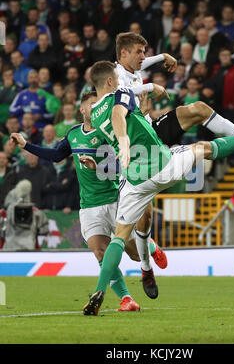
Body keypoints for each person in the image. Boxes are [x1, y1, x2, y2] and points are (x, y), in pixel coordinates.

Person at [82, 60, 234, 313]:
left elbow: (121, 111)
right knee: (202, 148)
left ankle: (100, 290)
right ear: (110, 81)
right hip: (160, 164)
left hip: (134, 179)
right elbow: (118, 115)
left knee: (119, 236)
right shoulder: (121, 94)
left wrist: (145, 97)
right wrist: (124, 138)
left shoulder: (93, 112)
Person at [11, 91, 167, 313]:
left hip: (115, 200)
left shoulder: (109, 133)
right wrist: (26, 144)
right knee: (101, 254)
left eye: (99, 105)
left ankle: (149, 246)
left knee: (133, 254)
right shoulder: (74, 134)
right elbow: (56, 155)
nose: (97, 109)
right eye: (92, 105)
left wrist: (99, 167)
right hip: (89, 205)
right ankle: (127, 300)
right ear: (82, 110)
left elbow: (128, 166)